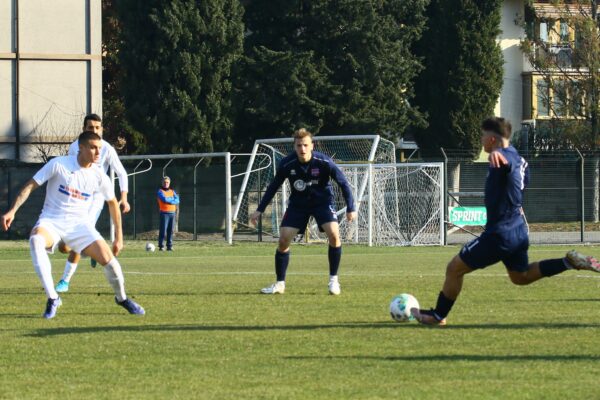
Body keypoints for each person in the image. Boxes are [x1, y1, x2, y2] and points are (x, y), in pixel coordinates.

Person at [413, 117, 600, 326]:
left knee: (454, 268)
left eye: (483, 135)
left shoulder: (502, 157)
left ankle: (438, 315)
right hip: (518, 229)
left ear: (492, 139)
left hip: (499, 234)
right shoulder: (521, 160)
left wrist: (499, 155)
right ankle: (568, 262)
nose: (482, 139)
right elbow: (521, 178)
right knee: (521, 276)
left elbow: (506, 162)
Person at [1, 131, 145, 319]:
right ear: (81, 148)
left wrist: (118, 237)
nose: (97, 153)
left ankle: (122, 298)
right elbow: (30, 185)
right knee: (36, 240)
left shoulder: (99, 176)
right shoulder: (58, 164)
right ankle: (53, 298)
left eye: (99, 149)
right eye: (93, 148)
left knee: (112, 264)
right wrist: (12, 210)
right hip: (51, 221)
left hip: (80, 226)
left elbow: (112, 204)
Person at [250, 128, 357, 295]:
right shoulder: (287, 163)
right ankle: (280, 284)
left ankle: (333, 281)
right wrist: (259, 209)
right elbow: (273, 186)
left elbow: (343, 183)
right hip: (298, 205)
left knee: (334, 235)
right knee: (283, 240)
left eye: (306, 145)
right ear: (294, 146)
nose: (302, 149)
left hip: (322, 202)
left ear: (312, 145)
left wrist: (351, 207)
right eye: (299, 145)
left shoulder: (324, 162)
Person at [55, 114, 130, 293]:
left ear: (101, 129)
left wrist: (124, 197)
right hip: (76, 197)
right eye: (91, 128)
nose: (94, 131)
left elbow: (121, 172)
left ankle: (65, 280)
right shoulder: (75, 148)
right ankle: (92, 249)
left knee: (80, 236)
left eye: (98, 128)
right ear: (84, 129)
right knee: (64, 247)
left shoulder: (107, 149)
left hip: (95, 199)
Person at [157, 176, 179, 251]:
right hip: (164, 213)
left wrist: (170, 201)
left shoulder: (172, 191)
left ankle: (169, 246)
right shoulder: (160, 191)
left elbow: (177, 200)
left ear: (169, 183)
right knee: (163, 230)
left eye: (167, 182)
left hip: (172, 213)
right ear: (162, 183)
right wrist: (172, 200)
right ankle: (161, 246)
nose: (166, 183)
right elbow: (164, 199)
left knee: (171, 230)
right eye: (165, 182)